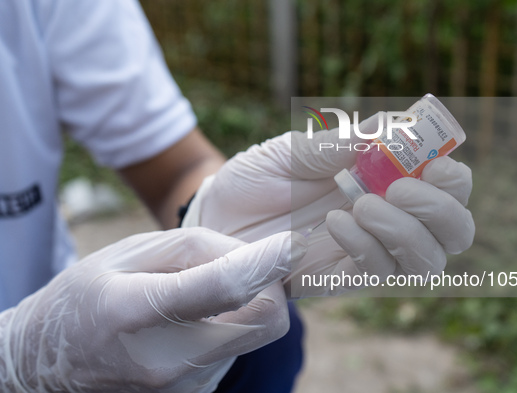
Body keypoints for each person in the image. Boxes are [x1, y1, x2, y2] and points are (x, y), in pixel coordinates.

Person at [0, 0, 475, 392]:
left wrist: (208, 213)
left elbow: (174, 168)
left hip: (56, 301)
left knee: (262, 332)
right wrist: (19, 360)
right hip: (48, 332)